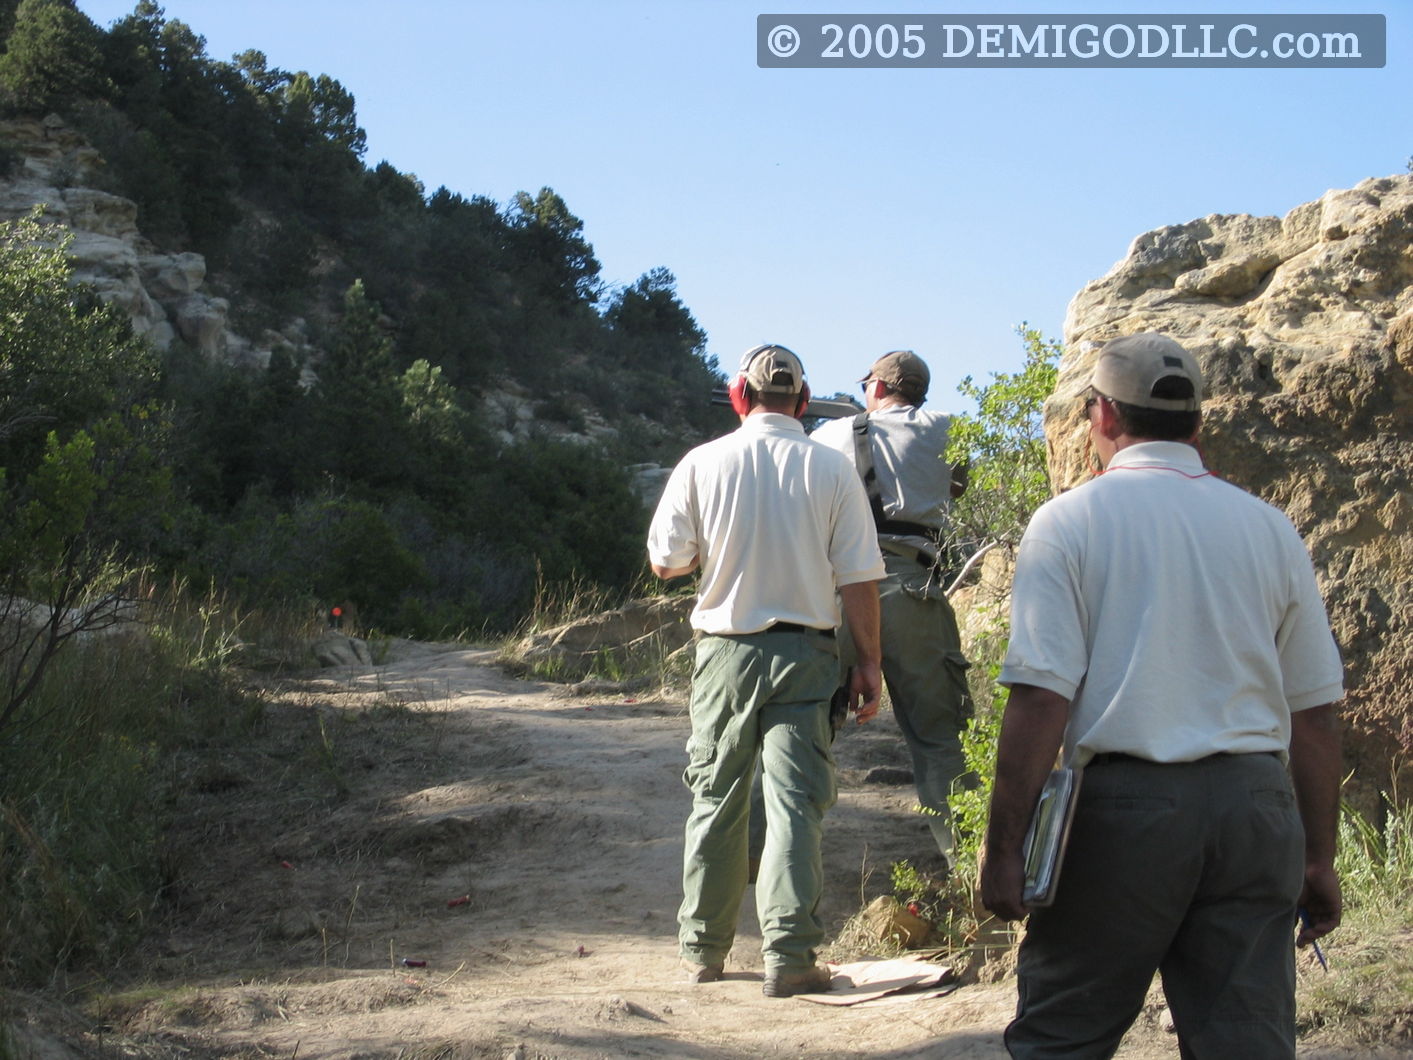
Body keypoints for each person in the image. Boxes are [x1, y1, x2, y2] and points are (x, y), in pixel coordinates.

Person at [979, 332, 1345, 1058]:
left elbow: (1040, 700)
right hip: (1253, 809)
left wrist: (1003, 846)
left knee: (1062, 1035)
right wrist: (1316, 855)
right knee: (1245, 1042)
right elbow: (1314, 710)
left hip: (1123, 816)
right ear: (1196, 424)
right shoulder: (1268, 528)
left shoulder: (1068, 523)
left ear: (1102, 417)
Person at [647, 343, 885, 998]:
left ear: (739, 397)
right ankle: (789, 956)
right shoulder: (831, 468)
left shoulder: (701, 463)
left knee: (716, 800)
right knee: (794, 805)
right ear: (803, 403)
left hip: (724, 651)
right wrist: (868, 661)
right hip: (808, 656)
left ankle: (702, 950)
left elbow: (667, 562)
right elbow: (859, 577)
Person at [812, 350, 974, 870]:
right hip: (916, 589)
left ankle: (759, 863)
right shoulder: (951, 429)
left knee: (803, 738)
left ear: (877, 388)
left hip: (838, 594)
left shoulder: (828, 438)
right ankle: (974, 873)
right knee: (940, 741)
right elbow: (956, 487)